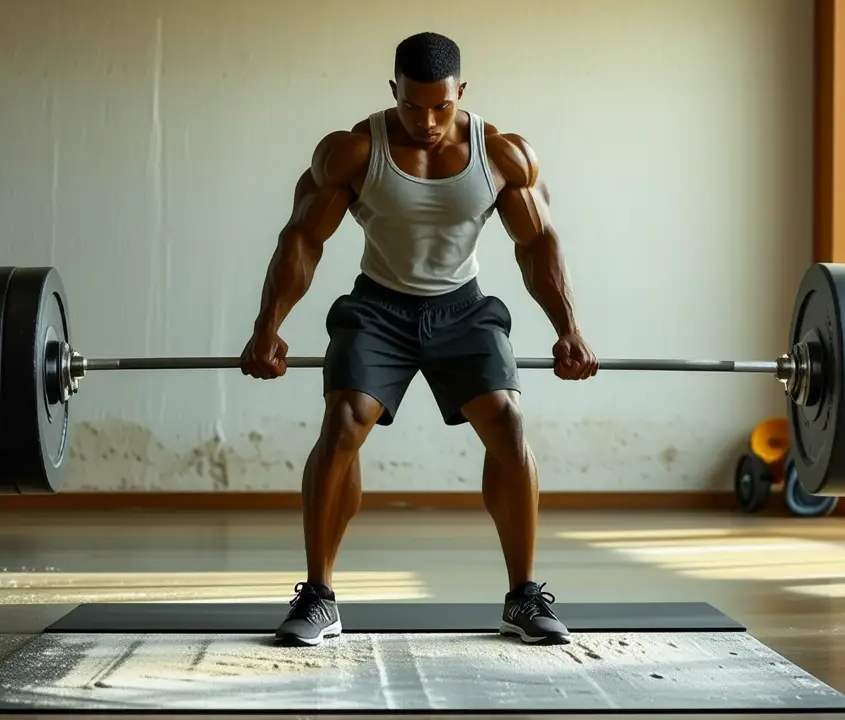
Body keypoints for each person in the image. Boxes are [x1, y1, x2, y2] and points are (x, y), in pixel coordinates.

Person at [240, 31, 598, 647]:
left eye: (442, 106)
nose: (427, 121)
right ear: (393, 91)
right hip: (377, 308)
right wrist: (267, 326)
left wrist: (568, 328)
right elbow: (302, 238)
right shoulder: (351, 152)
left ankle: (523, 597)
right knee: (343, 423)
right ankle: (319, 597)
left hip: (465, 309)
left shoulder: (503, 155)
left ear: (462, 92)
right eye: (412, 105)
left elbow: (537, 244)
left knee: (508, 424)